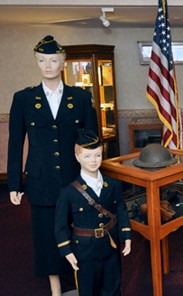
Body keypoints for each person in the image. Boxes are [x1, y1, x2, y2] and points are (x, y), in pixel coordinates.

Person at [7, 35, 98, 295]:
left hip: (76, 182)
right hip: (41, 182)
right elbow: (15, 144)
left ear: (63, 62)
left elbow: (92, 141)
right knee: (48, 241)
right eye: (43, 60)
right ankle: (56, 291)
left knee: (82, 236)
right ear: (36, 62)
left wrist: (95, 178)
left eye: (54, 60)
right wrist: (14, 183)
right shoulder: (24, 99)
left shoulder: (80, 99)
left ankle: (84, 287)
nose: (48, 65)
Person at [55, 129, 131, 296]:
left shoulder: (113, 185)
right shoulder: (68, 192)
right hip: (84, 252)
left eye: (97, 155)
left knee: (113, 287)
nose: (93, 160)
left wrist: (126, 236)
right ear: (77, 156)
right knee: (89, 290)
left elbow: (121, 209)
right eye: (87, 156)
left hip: (110, 247)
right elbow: (61, 226)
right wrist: (66, 251)